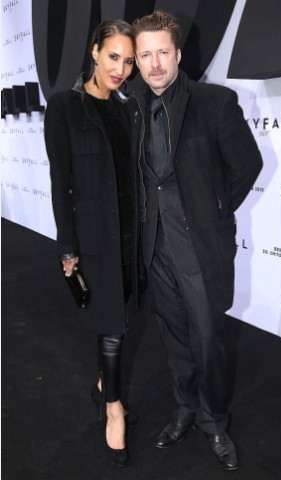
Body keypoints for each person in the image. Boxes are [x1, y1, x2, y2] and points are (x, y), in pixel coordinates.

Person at [130, 10, 263, 471]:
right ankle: (184, 408)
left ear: (178, 54)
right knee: (174, 339)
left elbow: (248, 165)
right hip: (155, 246)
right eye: (144, 55)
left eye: (162, 52)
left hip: (199, 246)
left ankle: (214, 422)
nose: (154, 64)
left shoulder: (215, 103)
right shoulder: (133, 108)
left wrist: (215, 209)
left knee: (208, 339)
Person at [44, 19, 139, 467]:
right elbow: (59, 181)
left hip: (129, 236)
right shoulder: (64, 107)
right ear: (95, 52)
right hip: (94, 235)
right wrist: (67, 246)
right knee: (112, 330)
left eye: (129, 60)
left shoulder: (128, 109)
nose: (121, 68)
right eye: (114, 56)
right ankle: (114, 410)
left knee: (120, 317)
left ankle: (104, 385)